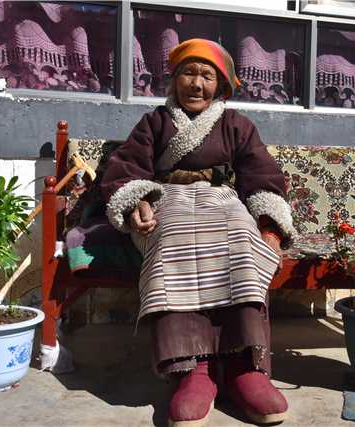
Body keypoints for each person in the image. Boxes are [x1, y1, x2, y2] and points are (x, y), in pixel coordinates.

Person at [100, 39, 295, 426]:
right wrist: (137, 200)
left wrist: (269, 224)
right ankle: (193, 370)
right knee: (172, 239)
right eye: (189, 73)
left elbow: (262, 175)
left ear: (221, 87)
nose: (196, 83)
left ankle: (244, 366)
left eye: (207, 76)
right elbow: (127, 168)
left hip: (220, 200)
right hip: (167, 202)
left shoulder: (236, 124)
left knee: (243, 239)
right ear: (174, 81)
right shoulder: (155, 121)